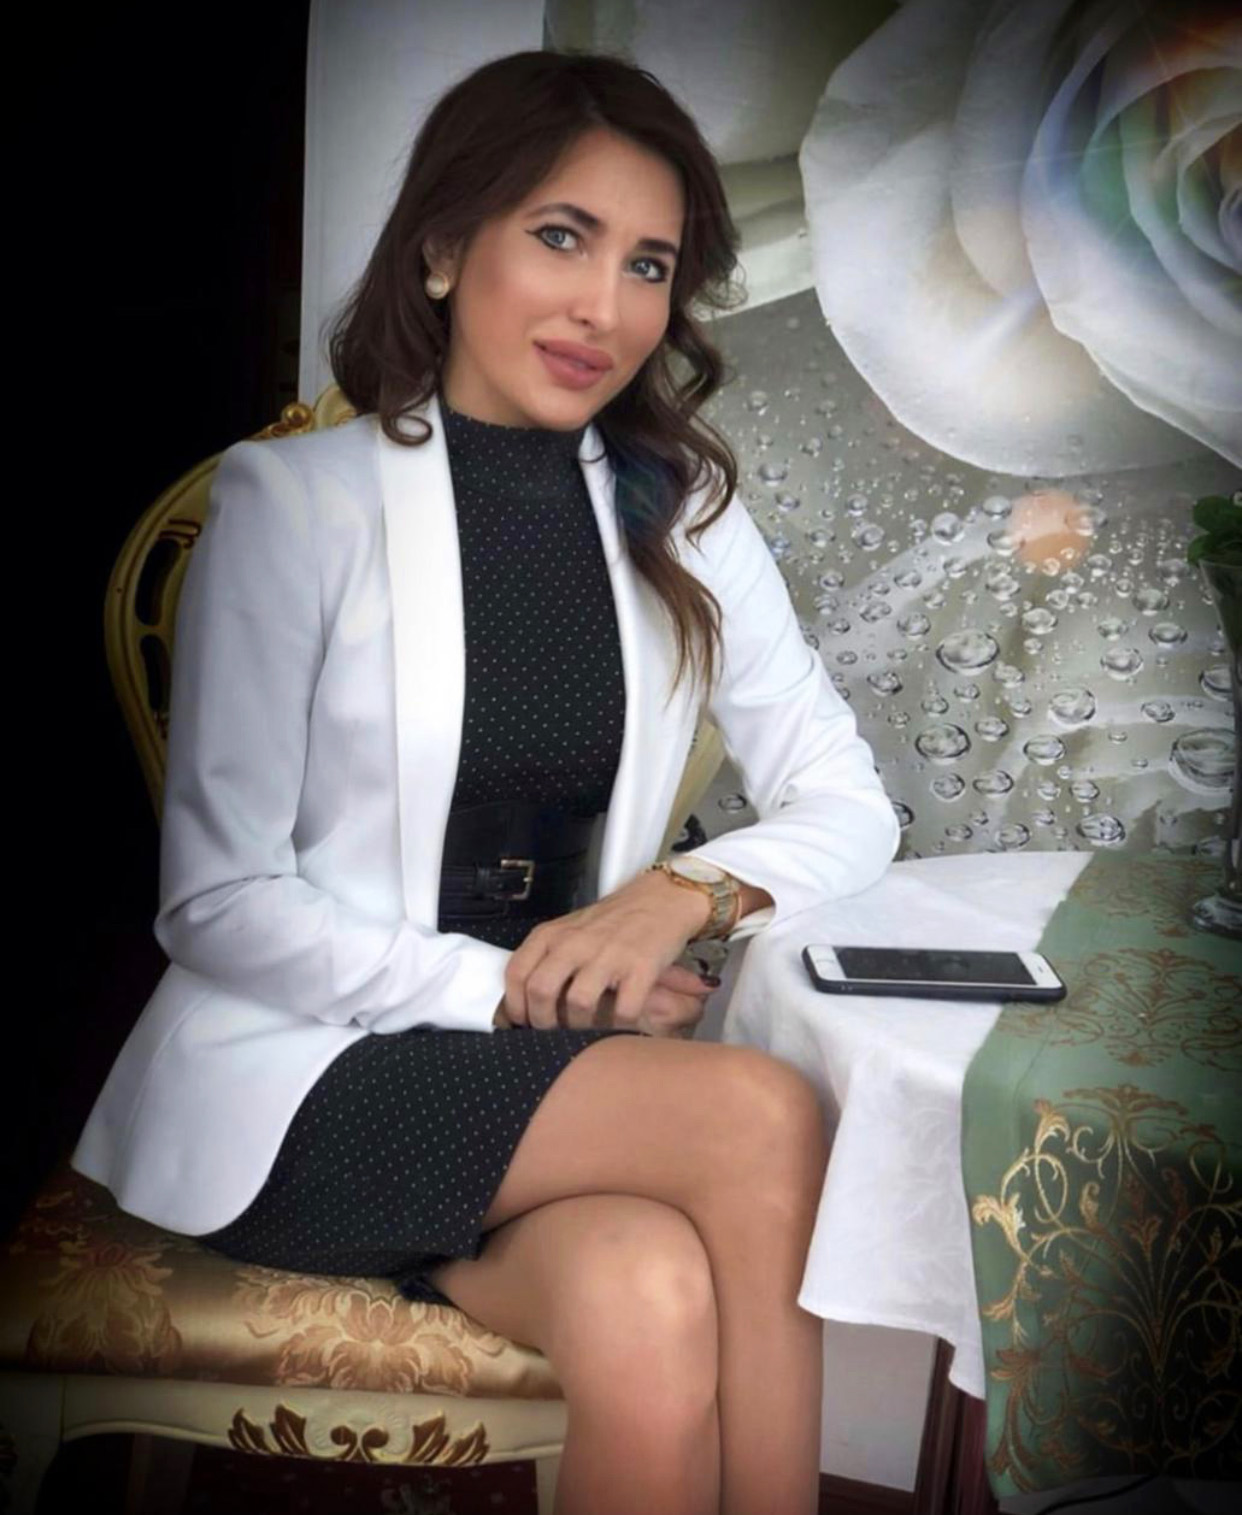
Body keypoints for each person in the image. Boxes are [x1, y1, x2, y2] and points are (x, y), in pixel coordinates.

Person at [72, 50, 899, 1515]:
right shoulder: (294, 504)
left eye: (647, 265)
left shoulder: (685, 512)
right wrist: (514, 991)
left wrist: (679, 894)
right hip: (316, 1075)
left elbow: (847, 802)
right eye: (561, 236)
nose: (606, 308)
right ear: (446, 248)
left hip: (544, 1095)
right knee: (761, 1115)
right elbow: (217, 903)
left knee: (648, 1300)